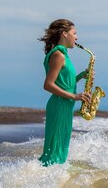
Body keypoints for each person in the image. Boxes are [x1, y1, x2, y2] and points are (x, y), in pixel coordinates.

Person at [37, 19, 90, 166]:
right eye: (74, 33)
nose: (77, 37)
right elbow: (48, 85)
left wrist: (81, 76)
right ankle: (43, 182)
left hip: (65, 105)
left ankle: (47, 181)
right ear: (65, 34)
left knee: (60, 150)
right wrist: (75, 96)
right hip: (60, 105)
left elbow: (64, 83)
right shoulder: (58, 55)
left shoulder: (63, 55)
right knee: (54, 151)